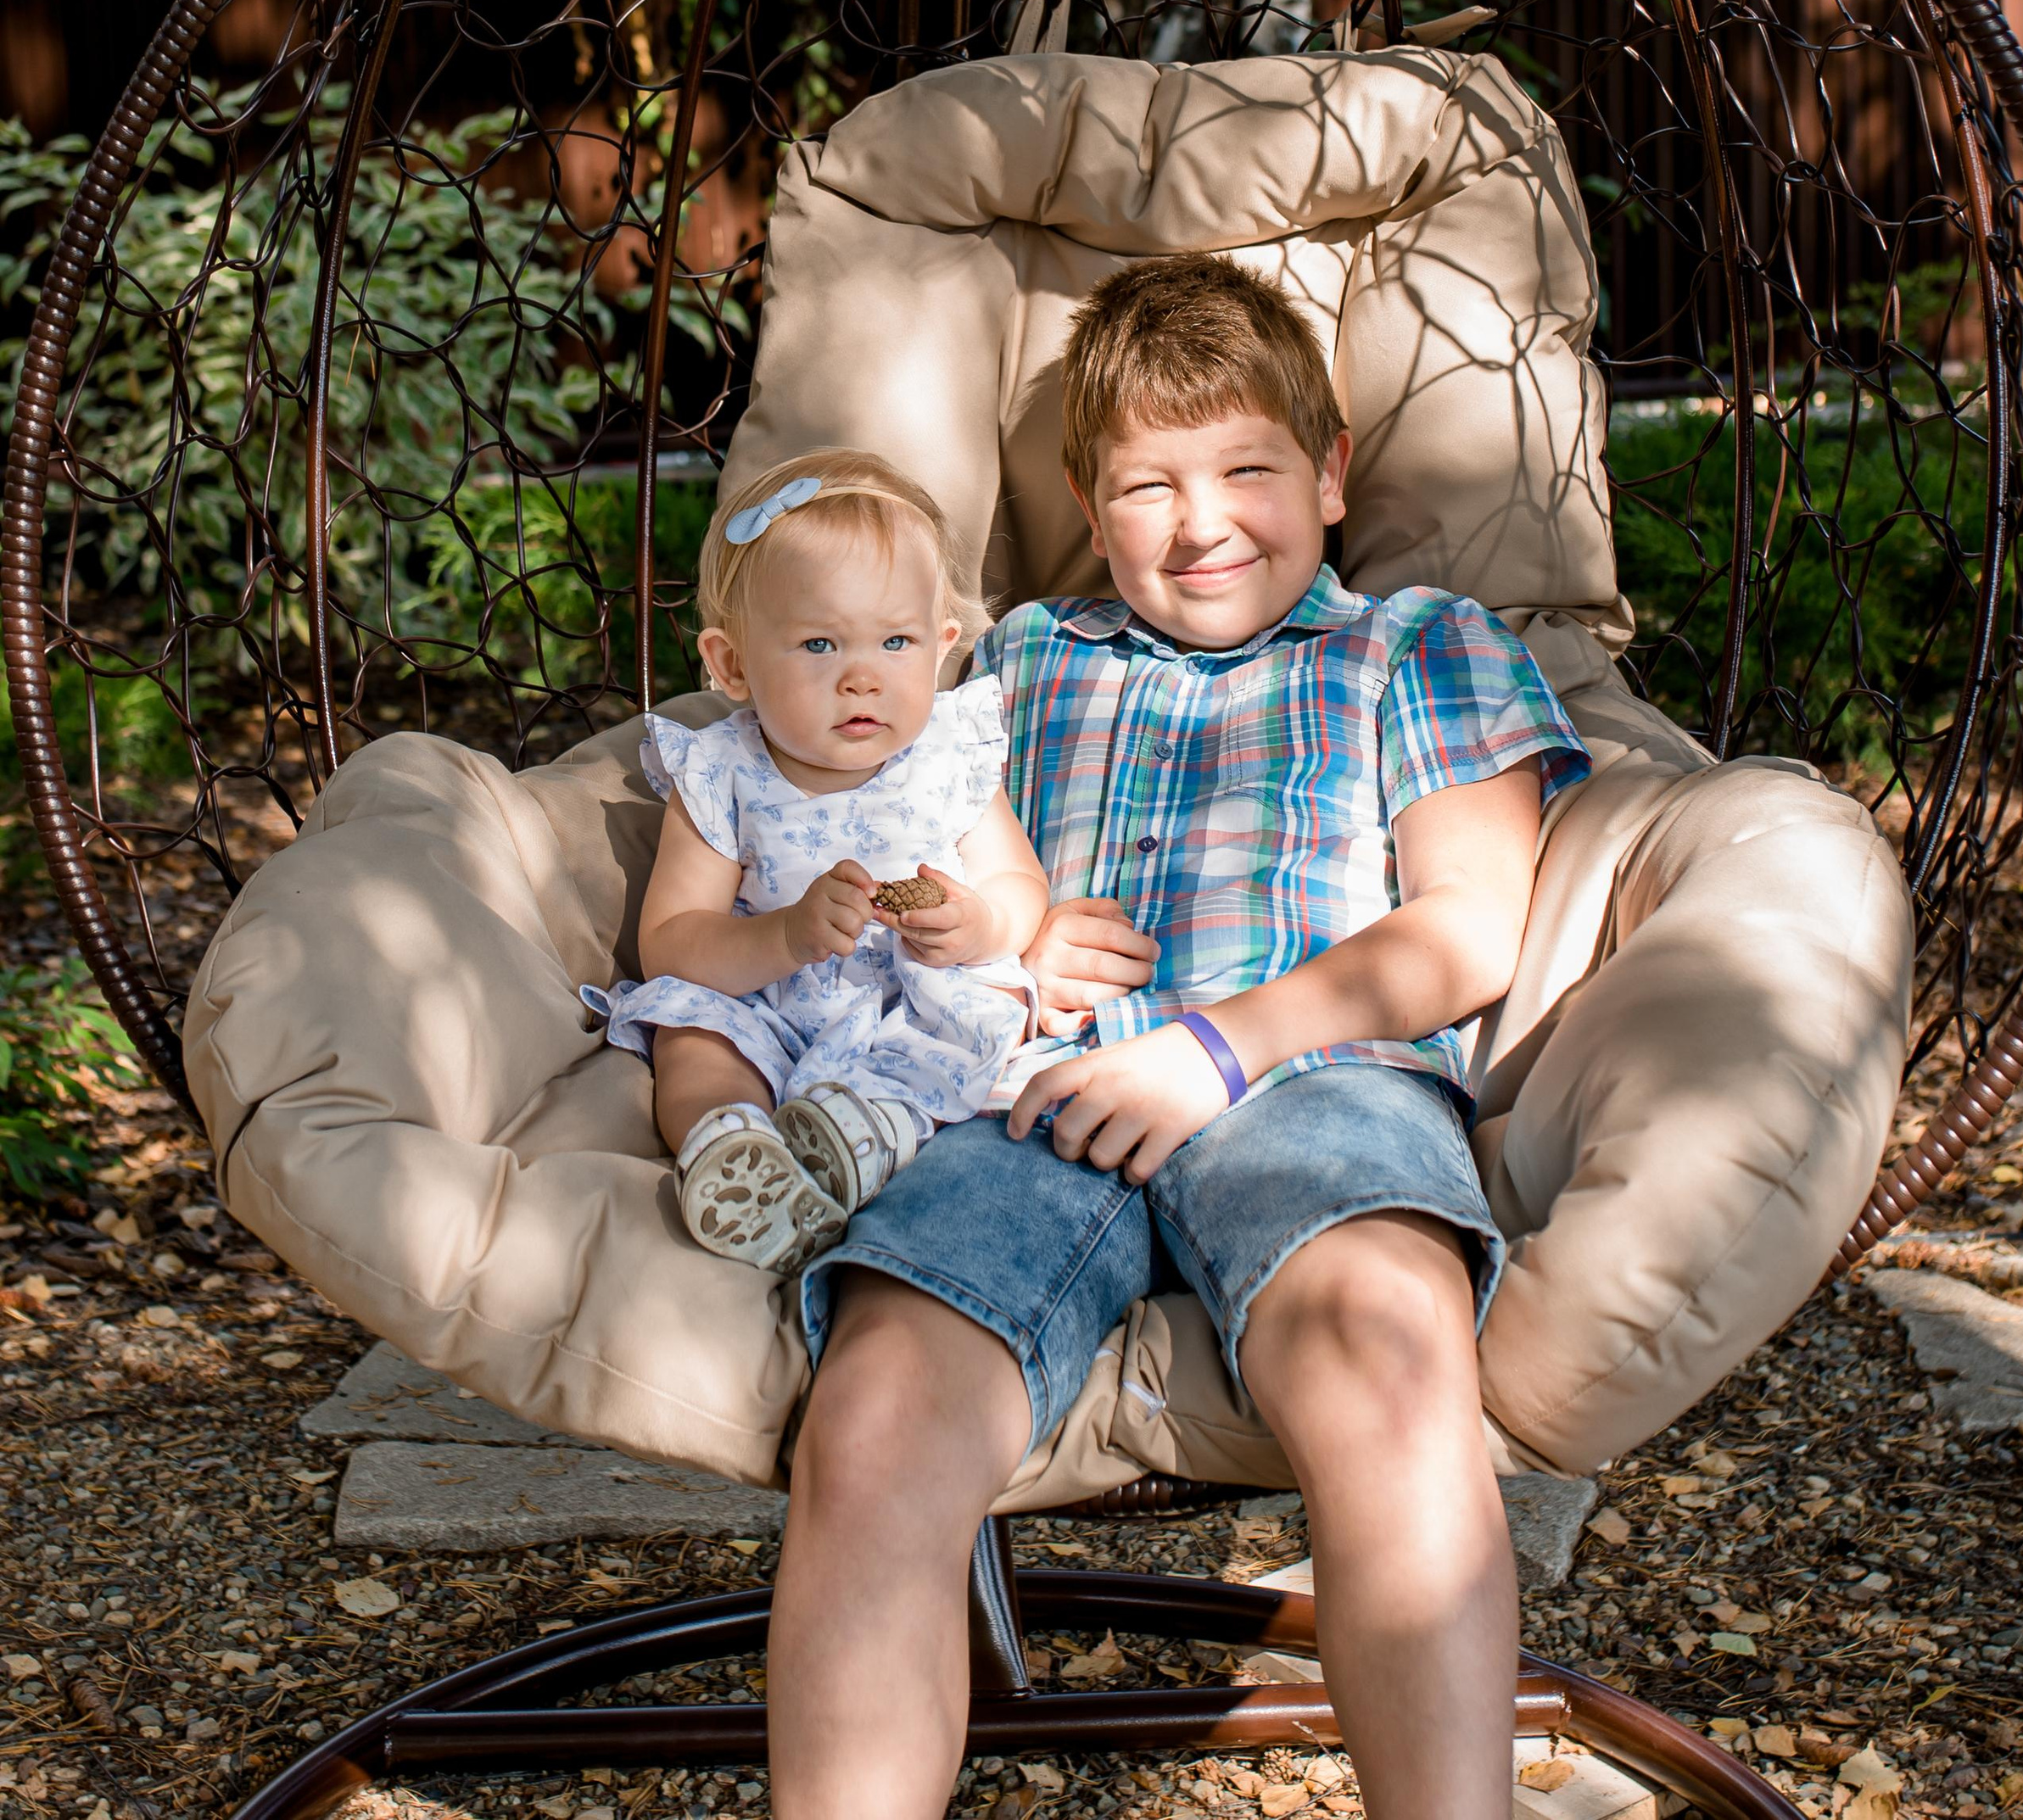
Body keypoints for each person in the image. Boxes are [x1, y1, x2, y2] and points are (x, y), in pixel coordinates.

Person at [766, 254, 1592, 1820]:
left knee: (1388, 1355)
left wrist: (1214, 1050)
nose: (1203, 519)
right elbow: (878, 843)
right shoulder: (1007, 661)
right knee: (875, 1414)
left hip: (1307, 1082)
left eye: (1249, 468)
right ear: (1087, 497)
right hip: (1026, 1094)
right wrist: (995, 925)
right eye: (1146, 483)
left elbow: (1462, 927)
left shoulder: (1415, 642)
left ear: (1334, 470)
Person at [584, 447, 1051, 1275]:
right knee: (691, 1034)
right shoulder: (721, 771)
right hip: (764, 1000)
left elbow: (1020, 887)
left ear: (943, 648)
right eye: (820, 645)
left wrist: (979, 924)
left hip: (907, 996)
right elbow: (672, 941)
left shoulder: (949, 756)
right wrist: (785, 937)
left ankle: (863, 1135)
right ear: (731, 665)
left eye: (896, 641)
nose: (862, 678)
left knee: (984, 1014)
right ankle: (732, 1150)